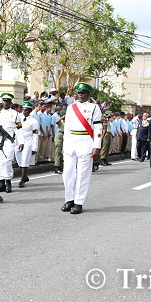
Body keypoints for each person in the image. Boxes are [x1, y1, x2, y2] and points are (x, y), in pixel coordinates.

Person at [61, 82, 102, 214]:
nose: (80, 94)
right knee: (67, 173)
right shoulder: (71, 107)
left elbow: (98, 128)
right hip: (71, 141)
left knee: (82, 174)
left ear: (88, 94)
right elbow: (67, 128)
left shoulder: (94, 108)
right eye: (78, 92)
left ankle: (78, 202)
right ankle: (69, 199)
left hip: (86, 141)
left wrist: (96, 146)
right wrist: (64, 145)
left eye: (83, 92)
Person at [0, 92, 20, 193]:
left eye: (7, 101)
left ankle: (8, 182)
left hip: (10, 140)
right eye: (4, 101)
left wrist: (20, 142)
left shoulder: (16, 114)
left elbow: (19, 129)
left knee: (8, 161)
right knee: (0, 161)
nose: (5, 103)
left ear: (11, 102)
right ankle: (1, 182)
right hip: (0, 140)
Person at [15, 100, 39, 187]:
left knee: (25, 160)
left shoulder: (34, 121)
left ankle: (22, 180)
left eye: (26, 110)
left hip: (28, 141)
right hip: (18, 141)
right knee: (19, 160)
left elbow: (35, 135)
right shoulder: (18, 118)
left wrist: (34, 147)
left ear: (29, 111)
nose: (24, 111)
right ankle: (25, 176)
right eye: (23, 109)